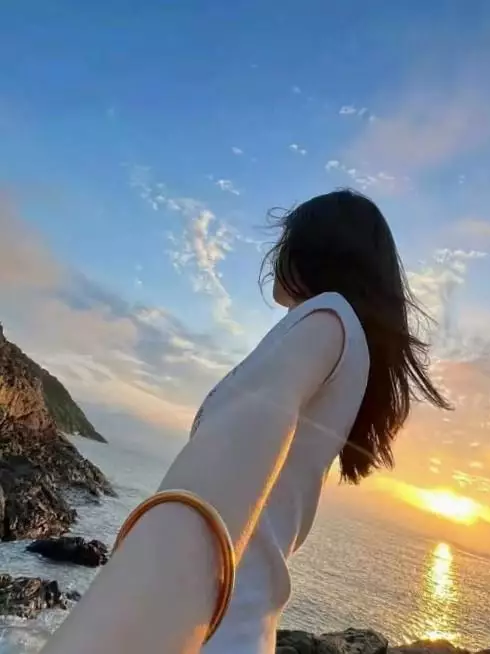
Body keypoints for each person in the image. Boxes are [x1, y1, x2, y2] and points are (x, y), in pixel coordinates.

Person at [41, 189, 450, 654]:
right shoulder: (339, 341)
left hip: (207, 630)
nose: (275, 253)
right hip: (234, 629)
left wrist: (125, 622)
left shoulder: (327, 316)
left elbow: (224, 474)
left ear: (316, 248)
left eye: (287, 239)